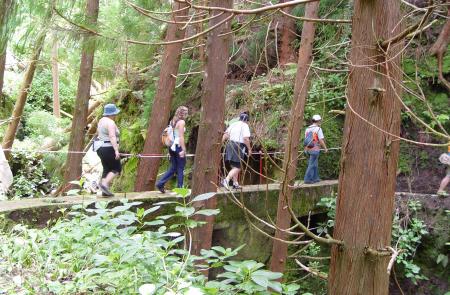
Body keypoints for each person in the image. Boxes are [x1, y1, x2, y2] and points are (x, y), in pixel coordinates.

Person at [156, 106, 189, 193]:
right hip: (178, 146)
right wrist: (184, 149)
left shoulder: (173, 120)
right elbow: (181, 136)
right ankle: (180, 189)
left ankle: (160, 183)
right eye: (186, 112)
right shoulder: (181, 122)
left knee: (174, 167)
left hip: (171, 147)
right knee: (180, 168)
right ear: (184, 114)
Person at [95, 103, 121, 197]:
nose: (115, 115)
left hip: (100, 148)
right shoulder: (110, 122)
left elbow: (99, 134)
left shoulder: (101, 121)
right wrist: (116, 150)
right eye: (115, 114)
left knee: (107, 168)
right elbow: (112, 136)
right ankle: (104, 183)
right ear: (111, 114)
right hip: (109, 148)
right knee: (116, 168)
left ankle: (104, 192)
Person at [222, 112, 252, 189]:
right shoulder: (245, 125)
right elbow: (245, 138)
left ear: (239, 118)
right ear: (246, 120)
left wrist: (221, 144)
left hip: (230, 144)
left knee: (234, 166)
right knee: (238, 167)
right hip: (238, 146)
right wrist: (249, 149)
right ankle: (226, 180)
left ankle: (235, 183)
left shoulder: (233, 124)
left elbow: (225, 134)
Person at [304, 114, 328, 184]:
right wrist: (325, 148)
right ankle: (307, 179)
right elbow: (321, 140)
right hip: (315, 149)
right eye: (320, 120)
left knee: (315, 163)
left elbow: (306, 139)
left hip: (308, 148)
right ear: (318, 121)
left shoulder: (307, 128)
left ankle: (315, 178)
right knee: (311, 164)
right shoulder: (318, 129)